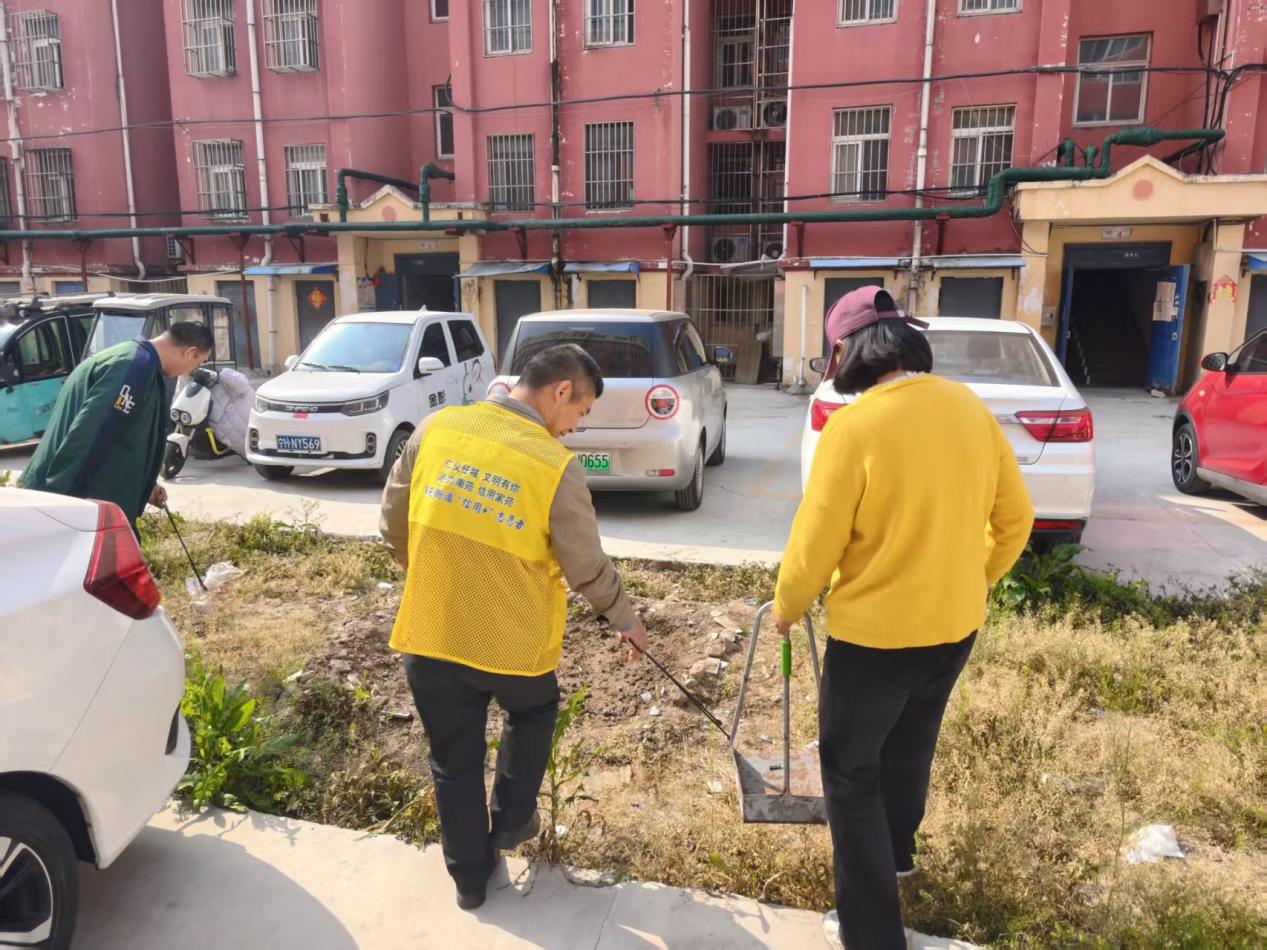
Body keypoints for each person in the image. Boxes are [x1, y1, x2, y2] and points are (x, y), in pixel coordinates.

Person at [772, 287, 1033, 950]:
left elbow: (815, 542)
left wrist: (786, 606)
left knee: (849, 769)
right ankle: (897, 856)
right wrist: (972, 580)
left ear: (844, 352)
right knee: (911, 743)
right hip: (954, 628)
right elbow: (1016, 520)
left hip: (874, 642)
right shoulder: (967, 409)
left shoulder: (854, 427)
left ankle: (869, 932)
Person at [380, 343, 649, 911]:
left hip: (431, 632)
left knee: (452, 762)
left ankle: (469, 882)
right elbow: (586, 566)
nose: (574, 427)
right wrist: (625, 620)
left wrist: (431, 573)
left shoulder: (435, 429)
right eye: (579, 412)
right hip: (513, 645)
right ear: (560, 391)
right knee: (532, 714)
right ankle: (508, 824)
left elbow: (392, 524)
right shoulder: (554, 466)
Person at [19, 321, 214, 526]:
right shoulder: (135, 369)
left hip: (79, 498)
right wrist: (63, 499)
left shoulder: (137, 363)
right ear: (189, 352)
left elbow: (124, 435)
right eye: (198, 363)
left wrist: (146, 484)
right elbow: (91, 435)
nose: (190, 371)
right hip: (70, 500)